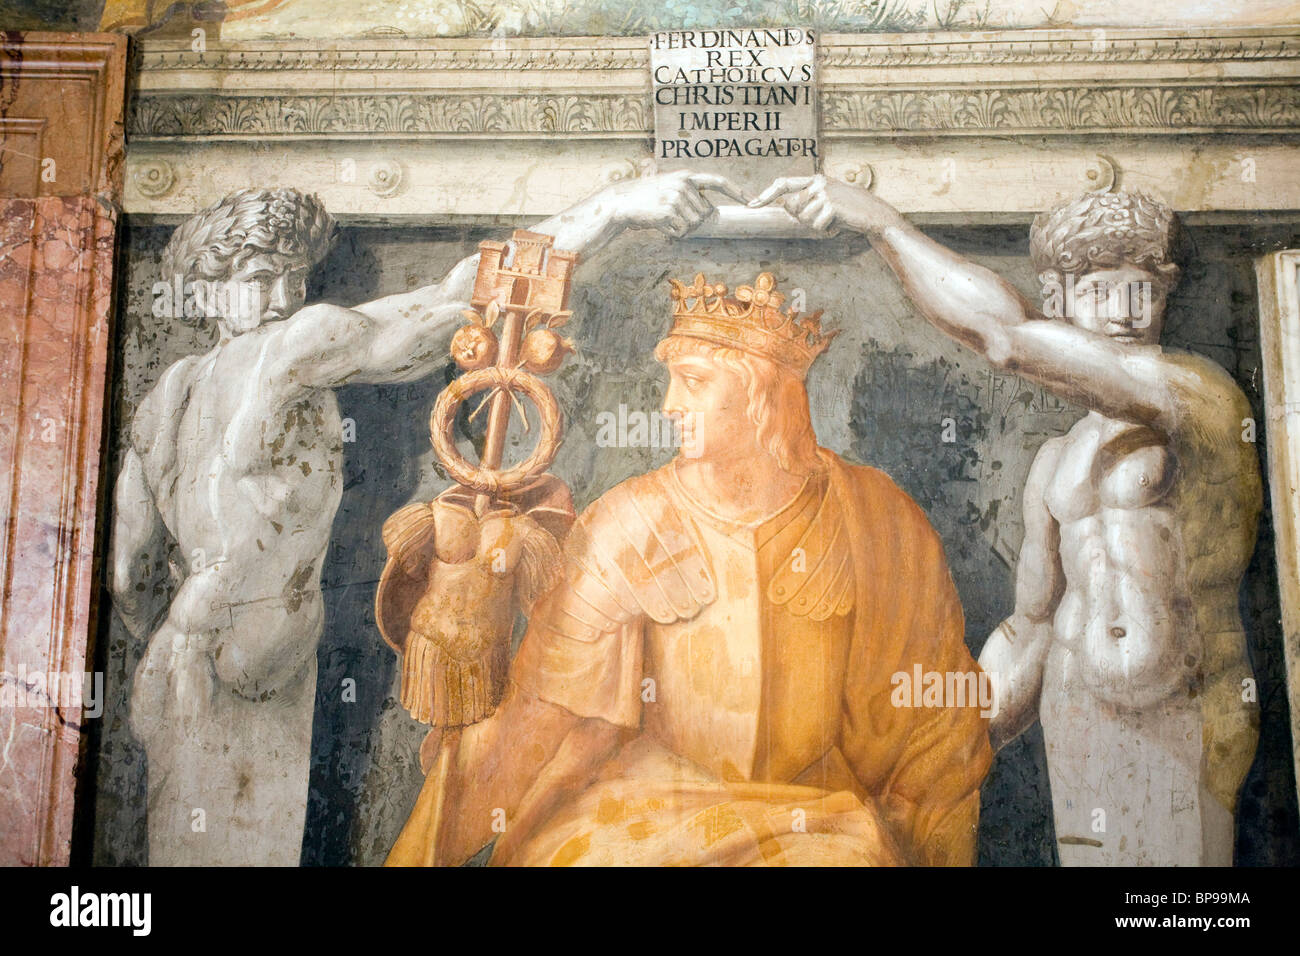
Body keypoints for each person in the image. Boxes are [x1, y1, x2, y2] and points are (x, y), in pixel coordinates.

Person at [109, 171, 743, 865]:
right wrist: (614, 208)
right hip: (247, 676)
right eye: (261, 277)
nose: (285, 298)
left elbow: (127, 574)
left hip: (172, 666)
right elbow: (459, 294)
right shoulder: (292, 347)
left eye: (295, 277)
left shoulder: (162, 400)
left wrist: (195, 617)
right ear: (203, 288)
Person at [387, 270, 992, 867]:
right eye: (671, 381)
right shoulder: (629, 521)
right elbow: (536, 718)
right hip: (641, 812)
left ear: (765, 397)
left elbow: (937, 726)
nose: (670, 405)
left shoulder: (876, 518)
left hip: (815, 819)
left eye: (693, 382)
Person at [755, 175, 1262, 865]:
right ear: (1059, 302)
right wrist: (956, 728)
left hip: (1183, 706)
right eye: (1096, 290)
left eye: (1141, 287)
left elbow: (1006, 340)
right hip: (1076, 705)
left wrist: (883, 223)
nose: (1123, 312)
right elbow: (1032, 621)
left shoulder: (1198, 399)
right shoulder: (1056, 462)